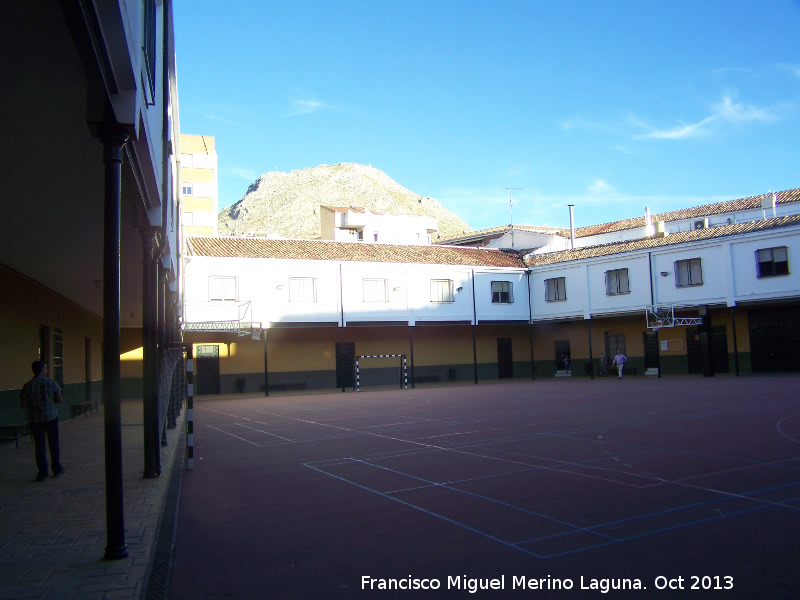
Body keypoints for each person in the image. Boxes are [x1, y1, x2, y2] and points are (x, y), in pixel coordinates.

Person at [20, 360, 64, 481]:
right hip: (51, 417)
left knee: (39, 447)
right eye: (45, 368)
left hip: (36, 419)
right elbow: (59, 399)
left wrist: (34, 405)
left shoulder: (28, 385)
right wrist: (49, 403)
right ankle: (56, 469)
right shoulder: (50, 382)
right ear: (42, 369)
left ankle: (42, 472)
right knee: (54, 445)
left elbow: (23, 405)